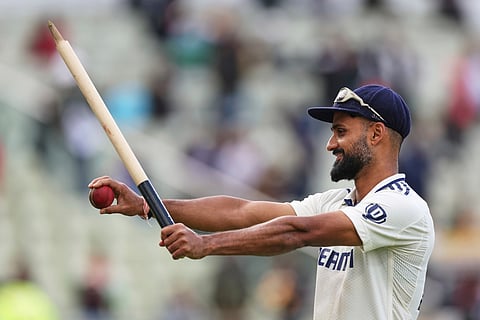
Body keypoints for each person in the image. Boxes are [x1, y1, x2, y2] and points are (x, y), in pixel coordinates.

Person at [88, 84, 435, 320]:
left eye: (341, 131)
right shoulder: (338, 202)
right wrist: (147, 205)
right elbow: (242, 212)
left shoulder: (404, 208)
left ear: (376, 134)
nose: (330, 144)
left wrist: (205, 245)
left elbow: (297, 232)